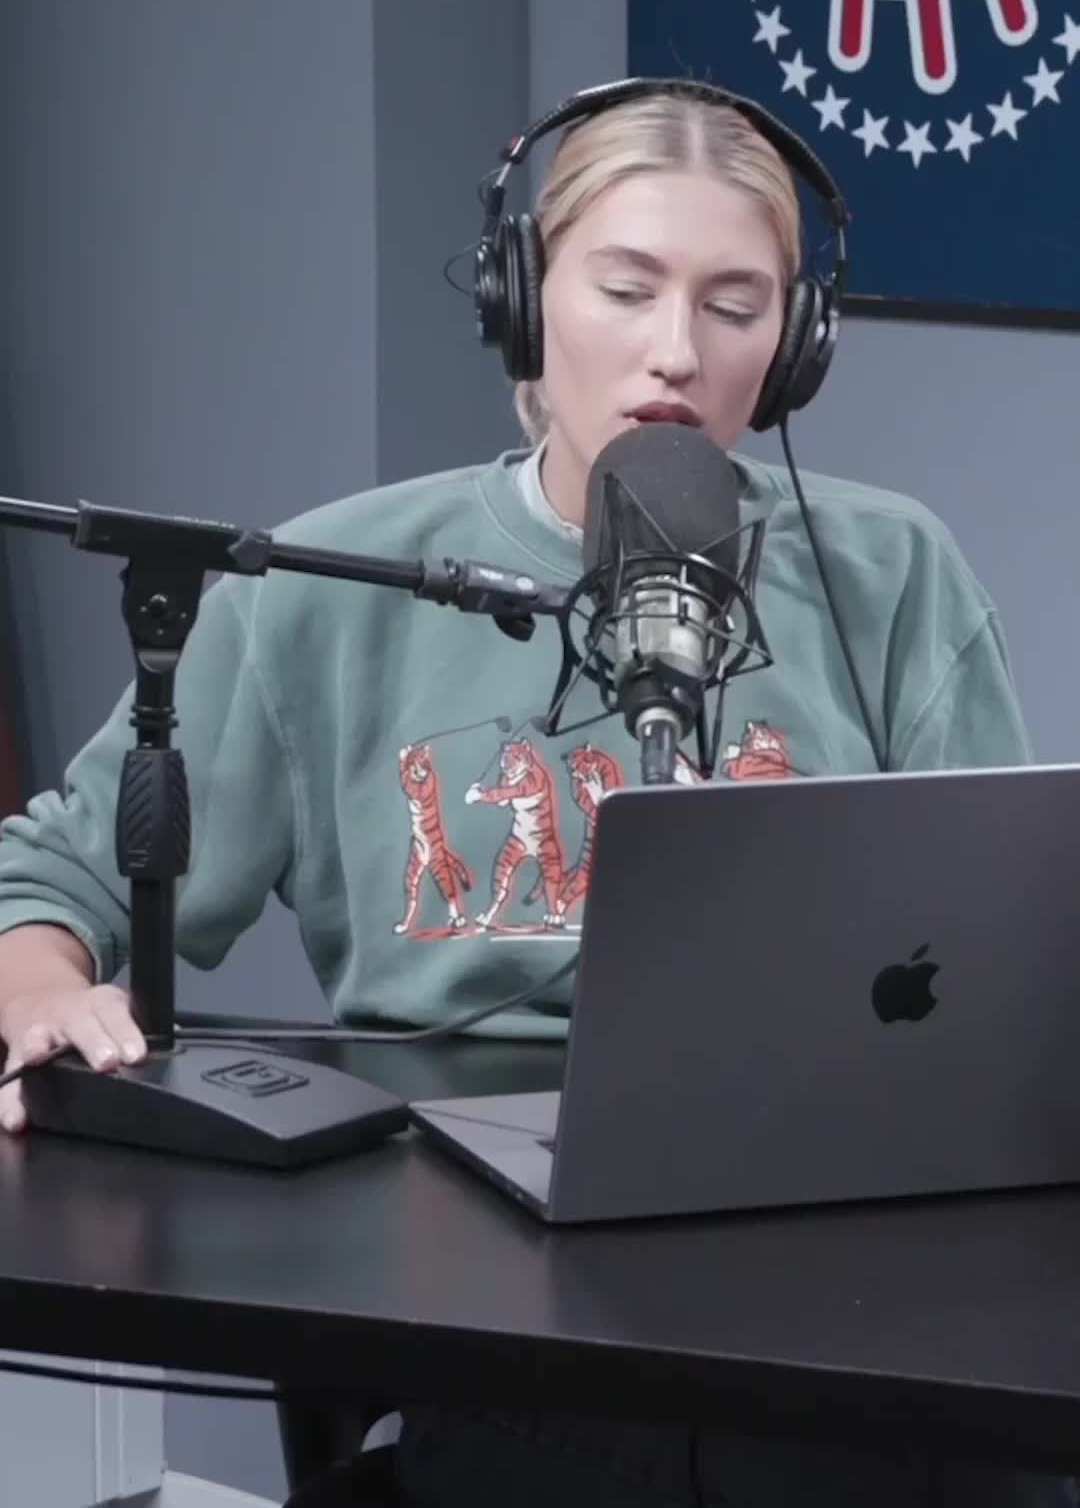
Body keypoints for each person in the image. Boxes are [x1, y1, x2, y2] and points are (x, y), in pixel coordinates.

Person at [0, 81, 1068, 1506]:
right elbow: (54, 881)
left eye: (736, 305)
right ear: (524, 298)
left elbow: (1009, 948)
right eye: (625, 289)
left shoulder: (891, 574)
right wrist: (38, 987)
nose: (676, 351)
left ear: (797, 344)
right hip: (501, 1323)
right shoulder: (328, 587)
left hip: (842, 1280)